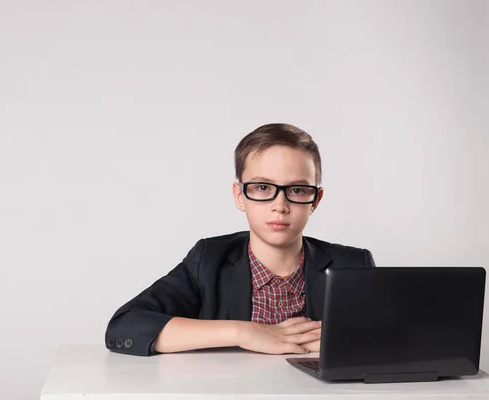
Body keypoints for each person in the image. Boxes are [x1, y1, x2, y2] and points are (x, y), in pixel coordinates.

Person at [105, 123, 375, 356]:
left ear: (315, 200)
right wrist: (243, 332)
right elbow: (126, 326)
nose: (279, 205)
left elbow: (393, 340)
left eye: (297, 189)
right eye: (262, 187)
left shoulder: (352, 264)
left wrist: (343, 341)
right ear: (239, 196)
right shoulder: (208, 260)